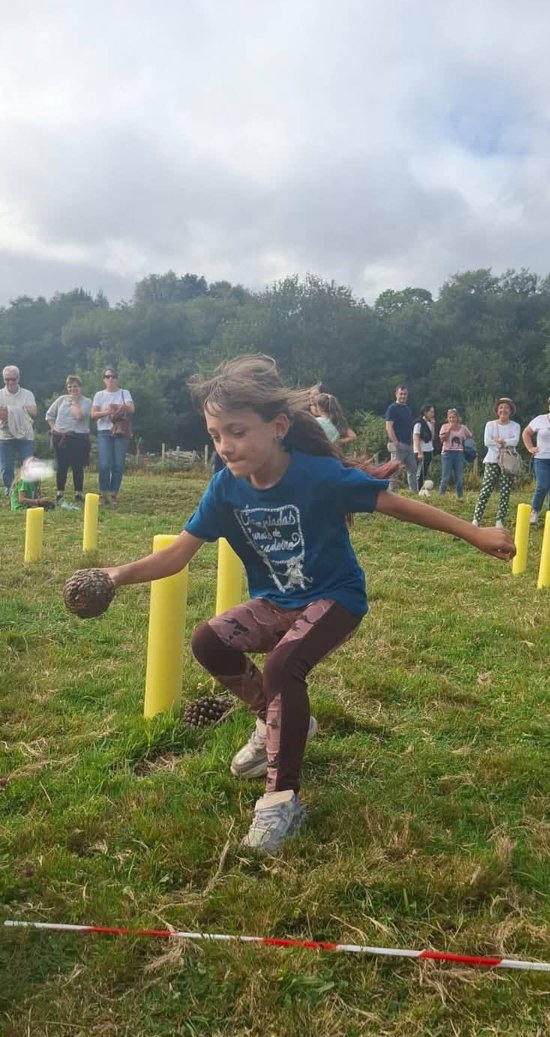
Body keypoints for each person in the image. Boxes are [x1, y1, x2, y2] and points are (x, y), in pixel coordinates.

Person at [101, 355, 514, 854]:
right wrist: (115, 575)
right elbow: (177, 554)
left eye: (236, 431)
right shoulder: (225, 489)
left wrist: (474, 533)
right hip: (275, 602)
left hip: (334, 598)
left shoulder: (319, 476)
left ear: (277, 427)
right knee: (208, 641)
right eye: (215, 435)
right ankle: (273, 719)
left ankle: (280, 802)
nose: (225, 446)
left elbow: (399, 505)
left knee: (282, 667)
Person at [472, 399, 521, 529]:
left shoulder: (515, 425)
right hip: (492, 460)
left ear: (510, 411)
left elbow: (515, 441)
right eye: (501, 408)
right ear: (497, 410)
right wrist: (503, 442)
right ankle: (476, 518)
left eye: (506, 408)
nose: (503, 410)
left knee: (505, 491)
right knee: (486, 489)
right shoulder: (490, 424)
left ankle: (500, 520)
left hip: (508, 462)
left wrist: (500, 440)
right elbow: (487, 441)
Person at [46, 376, 92, 507]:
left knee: (78, 466)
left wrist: (73, 402)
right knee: (62, 466)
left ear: (80, 387)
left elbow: (78, 416)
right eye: (70, 387)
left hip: (79, 438)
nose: (72, 389)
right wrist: (54, 428)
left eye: (75, 386)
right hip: (61, 437)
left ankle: (78, 493)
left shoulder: (87, 401)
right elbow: (49, 415)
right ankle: (59, 493)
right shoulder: (61, 400)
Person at [91, 368, 135, 506]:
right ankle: (103, 493)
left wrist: (116, 407)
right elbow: (93, 415)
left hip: (120, 431)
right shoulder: (99, 395)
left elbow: (131, 408)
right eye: (107, 376)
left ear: (117, 378)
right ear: (103, 379)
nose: (110, 379)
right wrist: (107, 412)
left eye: (113, 376)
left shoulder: (124, 393)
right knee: (104, 464)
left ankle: (113, 493)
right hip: (104, 431)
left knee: (118, 464)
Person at [0, 366, 37, 497]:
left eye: (13, 379)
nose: (10, 382)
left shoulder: (27, 394)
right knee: (6, 466)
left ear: (18, 378)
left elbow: (34, 412)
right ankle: (9, 488)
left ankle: (29, 489)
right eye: (7, 379)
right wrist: (21, 410)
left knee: (28, 463)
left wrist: (8, 410)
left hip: (25, 436)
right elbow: (1, 415)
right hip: (5, 436)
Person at [384, 385, 419, 493]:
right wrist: (395, 442)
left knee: (413, 469)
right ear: (396, 394)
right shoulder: (392, 408)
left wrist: (412, 443)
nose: (403, 396)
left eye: (405, 394)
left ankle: (414, 492)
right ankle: (391, 492)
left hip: (408, 445)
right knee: (395, 470)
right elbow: (389, 426)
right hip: (398, 444)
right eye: (401, 394)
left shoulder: (407, 409)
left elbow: (409, 427)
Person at [522, 395, 550, 524]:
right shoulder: (540, 419)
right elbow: (526, 433)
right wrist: (530, 447)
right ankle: (534, 510)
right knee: (542, 486)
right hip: (542, 459)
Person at [438, 409, 473, 500]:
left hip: (459, 453)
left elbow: (470, 436)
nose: (452, 419)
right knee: (445, 477)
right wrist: (449, 430)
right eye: (450, 417)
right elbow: (442, 439)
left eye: (453, 417)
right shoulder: (444, 427)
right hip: (447, 453)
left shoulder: (463, 428)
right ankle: (440, 496)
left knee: (459, 478)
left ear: (457, 418)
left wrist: (468, 446)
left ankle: (459, 497)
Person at [413, 404, 436, 488]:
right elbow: (416, 438)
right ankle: (416, 489)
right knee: (419, 472)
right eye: (431, 412)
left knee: (424, 472)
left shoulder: (429, 423)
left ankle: (421, 488)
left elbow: (432, 437)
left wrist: (433, 425)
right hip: (421, 450)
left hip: (429, 449)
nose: (433, 414)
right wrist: (419, 452)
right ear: (425, 412)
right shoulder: (419, 423)